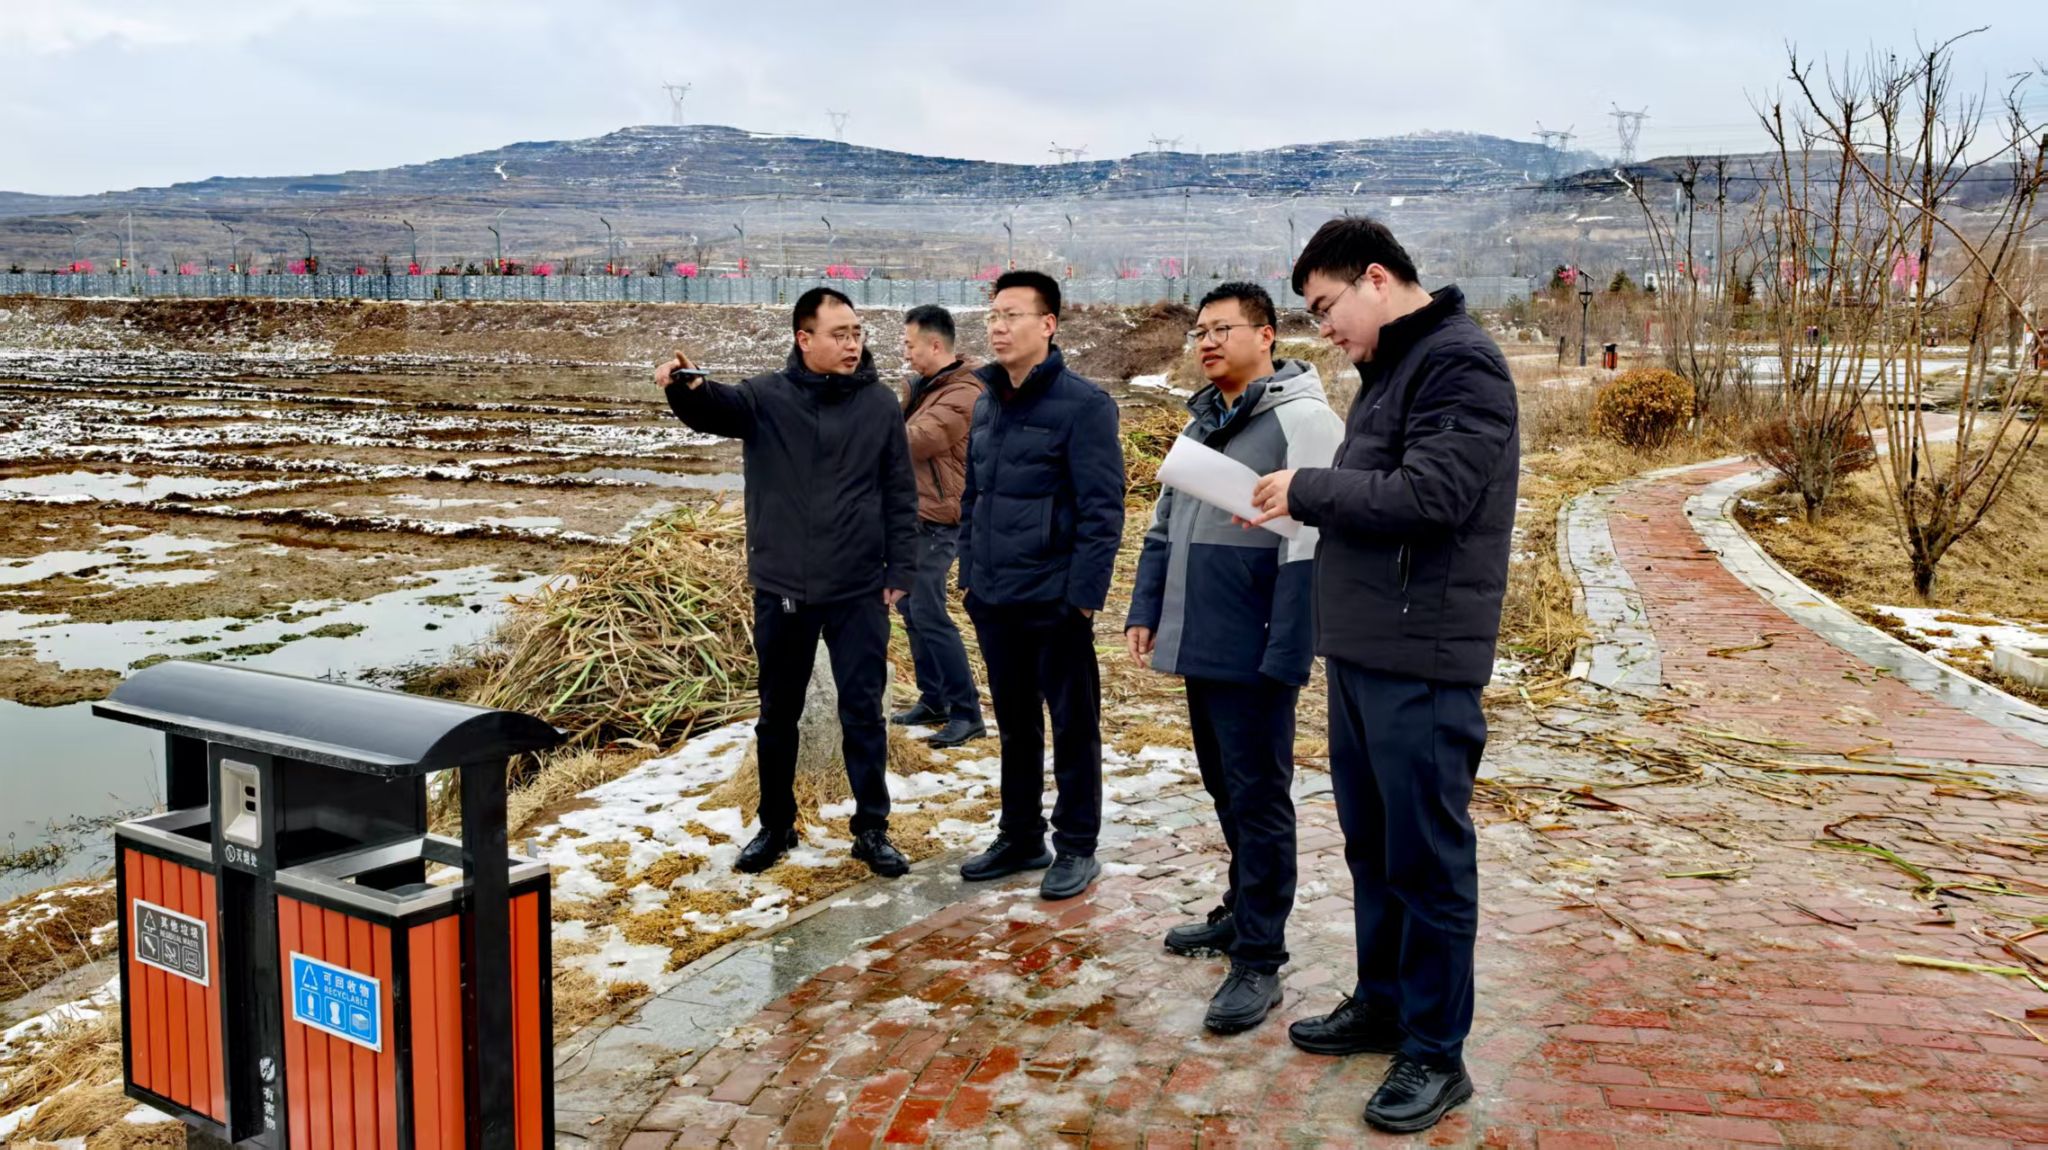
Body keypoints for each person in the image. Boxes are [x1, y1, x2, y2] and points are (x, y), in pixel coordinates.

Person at [1245, 218, 1519, 1134]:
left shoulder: (1459, 363)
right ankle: (1387, 1000)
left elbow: (1432, 496)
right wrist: (1300, 501)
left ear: (1375, 278)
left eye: (1326, 307)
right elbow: (1374, 496)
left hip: (1423, 656)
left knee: (1428, 858)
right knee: (1374, 846)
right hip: (1367, 646)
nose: (1324, 329)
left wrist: (1307, 488)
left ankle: (1437, 1051)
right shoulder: (1393, 370)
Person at [1125, 282, 1343, 1035]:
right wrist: (1147, 608)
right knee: (1225, 787)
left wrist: (1289, 647)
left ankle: (1260, 957)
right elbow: (1166, 524)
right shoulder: (1204, 421)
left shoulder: (1304, 421)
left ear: (1267, 335)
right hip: (1204, 635)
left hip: (1256, 640)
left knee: (1259, 797)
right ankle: (1240, 909)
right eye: (1200, 331)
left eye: (1223, 329)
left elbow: (1313, 541)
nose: (1208, 342)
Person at [656, 287, 919, 880]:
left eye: (856, 333)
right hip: (784, 588)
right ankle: (776, 825)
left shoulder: (879, 404)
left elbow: (901, 493)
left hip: (859, 588)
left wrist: (901, 570)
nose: (852, 344)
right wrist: (682, 386)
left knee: (864, 713)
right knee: (778, 715)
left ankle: (871, 828)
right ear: (804, 339)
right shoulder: (766, 397)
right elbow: (713, 408)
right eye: (839, 334)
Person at [955, 270, 1125, 901]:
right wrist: (970, 576)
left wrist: (1081, 598)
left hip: (1054, 599)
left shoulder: (1084, 405)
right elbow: (974, 497)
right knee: (1015, 723)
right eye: (993, 316)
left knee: (1073, 725)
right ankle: (1021, 834)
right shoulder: (987, 402)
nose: (997, 327)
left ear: (1048, 325)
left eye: (1012, 315)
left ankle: (1077, 844)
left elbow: (1103, 510)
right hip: (994, 596)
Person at [891, 304, 988, 749]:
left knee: (929, 610)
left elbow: (919, 439)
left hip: (941, 519)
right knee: (910, 608)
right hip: (914, 514)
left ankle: (967, 713)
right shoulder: (924, 387)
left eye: (909, 344)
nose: (905, 352)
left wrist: (860, 423)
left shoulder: (964, 392)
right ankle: (934, 699)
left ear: (934, 345)